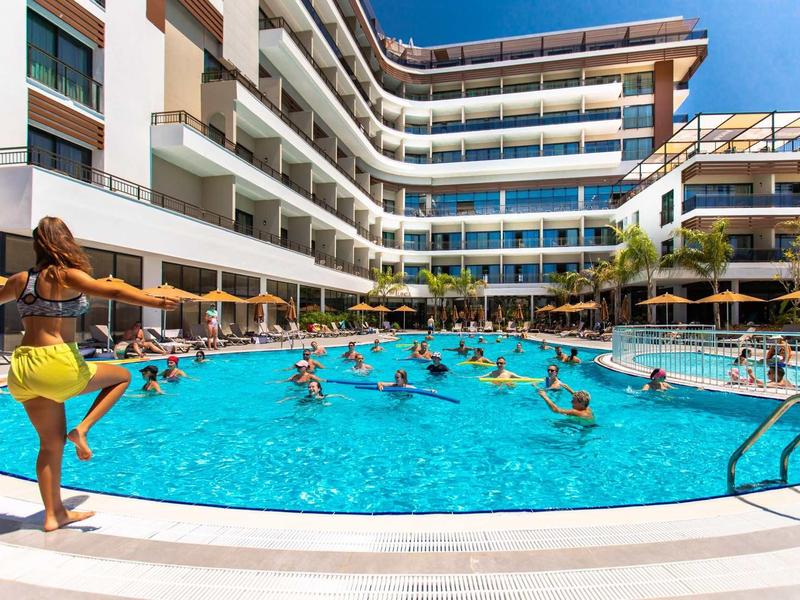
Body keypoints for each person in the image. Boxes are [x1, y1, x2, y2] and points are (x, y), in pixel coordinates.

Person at [0, 216, 177, 531]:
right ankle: (83, 429)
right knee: (121, 377)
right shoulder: (65, 275)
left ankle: (54, 514)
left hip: (23, 367)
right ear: (64, 241)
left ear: (38, 244)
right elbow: (115, 291)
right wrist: (157, 302)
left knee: (50, 444)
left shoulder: (18, 280)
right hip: (56, 361)